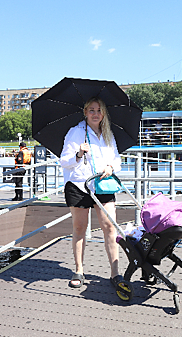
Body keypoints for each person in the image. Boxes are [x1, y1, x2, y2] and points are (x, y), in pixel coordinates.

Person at [60, 97, 123, 290]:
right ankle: (79, 269)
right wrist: (78, 154)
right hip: (79, 185)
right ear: (85, 113)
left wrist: (112, 167)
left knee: (110, 228)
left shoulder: (107, 134)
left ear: (103, 114)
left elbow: (117, 158)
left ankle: (115, 272)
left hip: (103, 185)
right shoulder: (75, 132)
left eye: (99, 110)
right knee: (79, 228)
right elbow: (64, 161)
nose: (95, 114)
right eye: (91, 110)